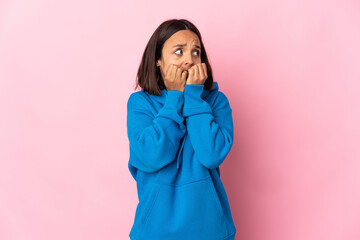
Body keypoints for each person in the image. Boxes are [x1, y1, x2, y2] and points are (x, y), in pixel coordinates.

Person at [126, 18, 236, 240]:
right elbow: (151, 156)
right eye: (179, 52)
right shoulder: (140, 104)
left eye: (196, 52)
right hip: (155, 231)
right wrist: (174, 98)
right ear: (158, 60)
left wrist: (194, 99)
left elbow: (211, 155)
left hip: (209, 229)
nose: (190, 60)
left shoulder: (216, 102)